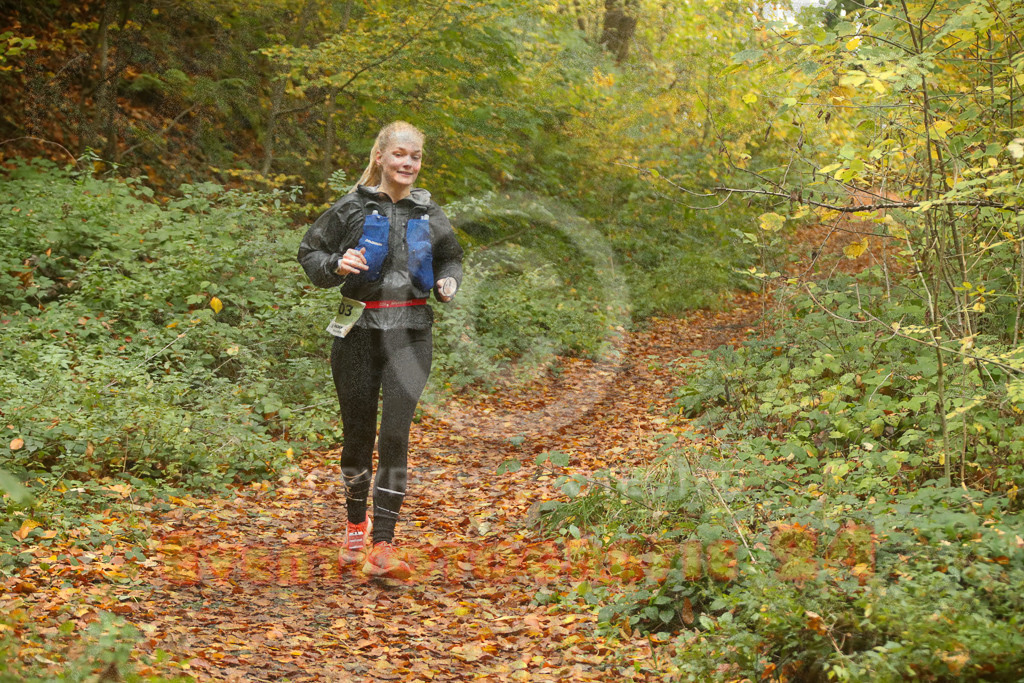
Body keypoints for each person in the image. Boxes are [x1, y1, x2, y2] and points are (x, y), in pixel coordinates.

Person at [297, 121, 463, 579]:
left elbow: (451, 257)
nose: (408, 163)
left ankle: (384, 543)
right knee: (357, 436)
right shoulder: (351, 207)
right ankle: (355, 524)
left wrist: (449, 281)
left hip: (412, 331)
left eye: (416, 157)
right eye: (400, 155)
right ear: (381, 157)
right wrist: (335, 263)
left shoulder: (429, 212)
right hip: (357, 331)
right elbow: (310, 253)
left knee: (394, 435)